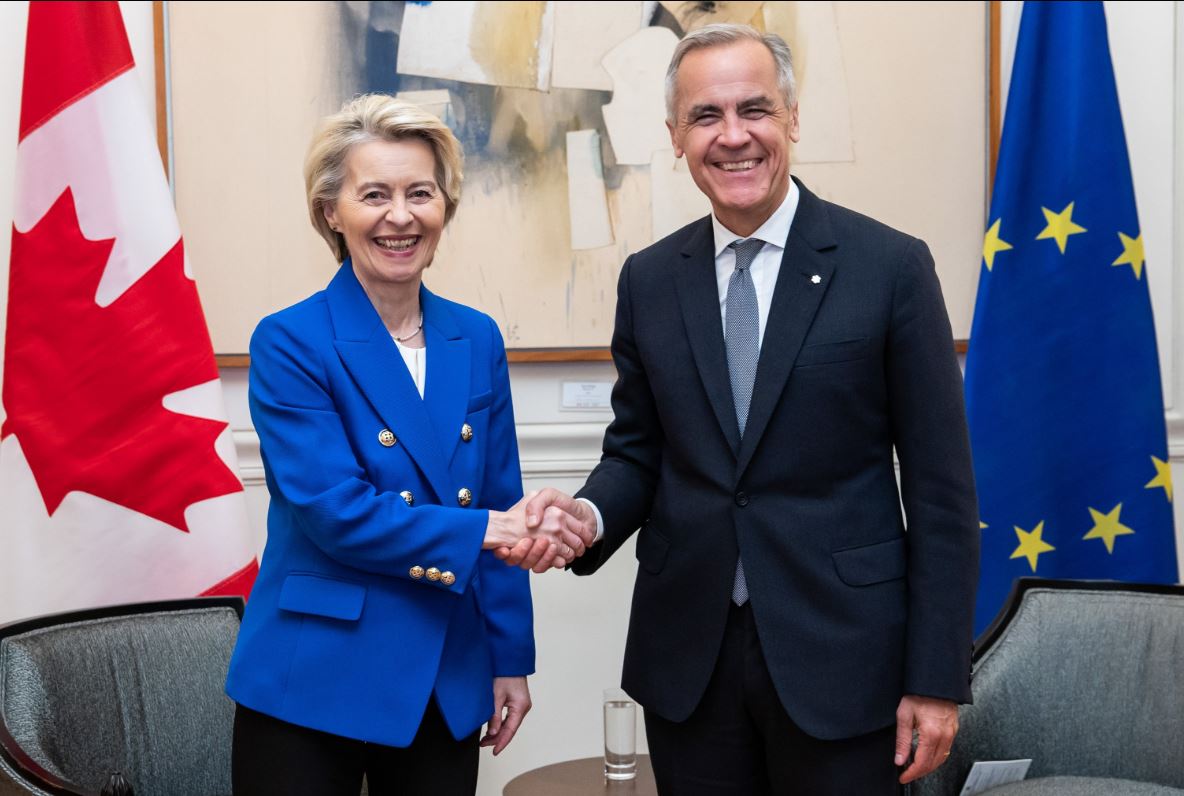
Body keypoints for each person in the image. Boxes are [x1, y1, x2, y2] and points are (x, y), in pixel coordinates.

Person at [512, 23, 980, 794]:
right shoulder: (650, 280)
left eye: (754, 109)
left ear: (792, 117)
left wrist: (935, 678)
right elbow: (638, 453)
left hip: (845, 661)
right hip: (688, 660)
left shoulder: (890, 267)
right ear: (675, 136)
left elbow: (941, 492)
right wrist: (585, 518)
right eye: (706, 116)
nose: (733, 136)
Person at [225, 94, 591, 795]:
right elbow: (337, 512)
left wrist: (508, 657)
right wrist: (493, 529)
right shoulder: (290, 340)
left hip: (446, 673)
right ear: (332, 212)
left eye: (420, 193)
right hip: (313, 680)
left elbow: (497, 494)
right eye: (375, 195)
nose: (401, 216)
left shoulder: (474, 335)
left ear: (444, 207)